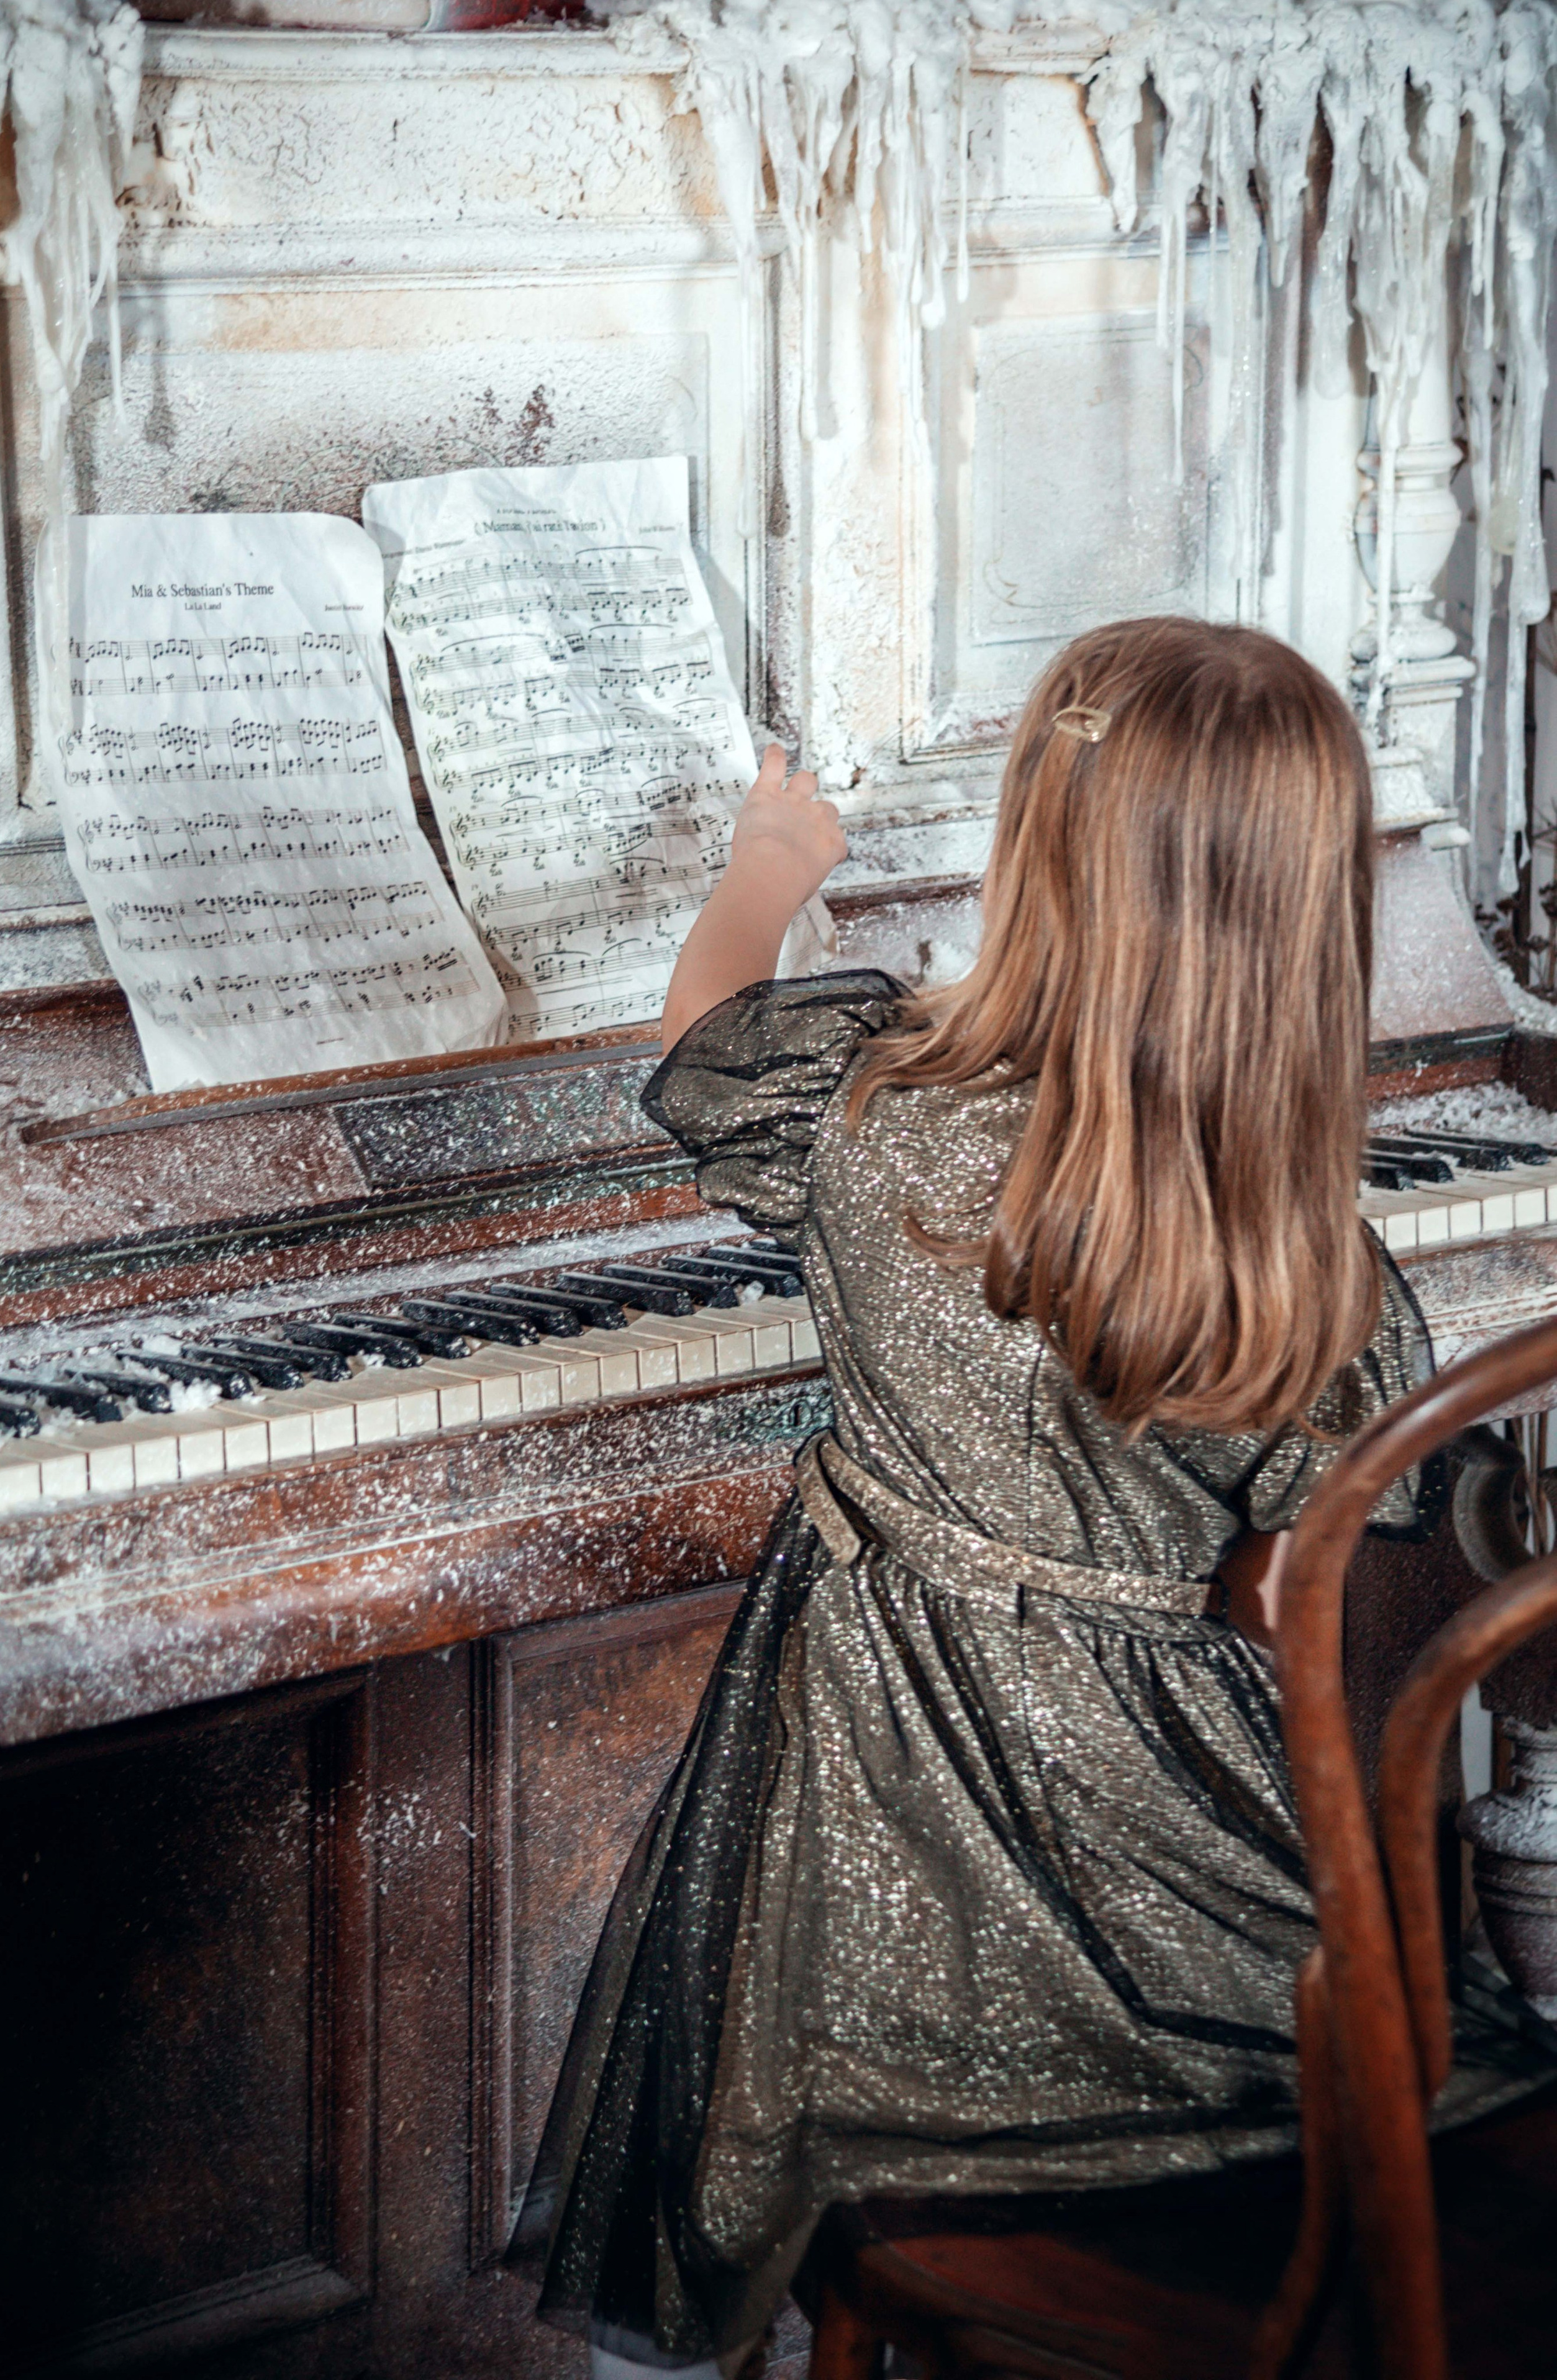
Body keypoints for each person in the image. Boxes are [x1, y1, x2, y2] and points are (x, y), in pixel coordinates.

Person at [507, 616, 1543, 2380]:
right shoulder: (1328, 1271)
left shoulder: (883, 1119)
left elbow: (702, 1030)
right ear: (1317, 914)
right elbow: (1392, 1598)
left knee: (721, 2065)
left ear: (1034, 856)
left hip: (908, 1975)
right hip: (1237, 1958)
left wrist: (770, 866)